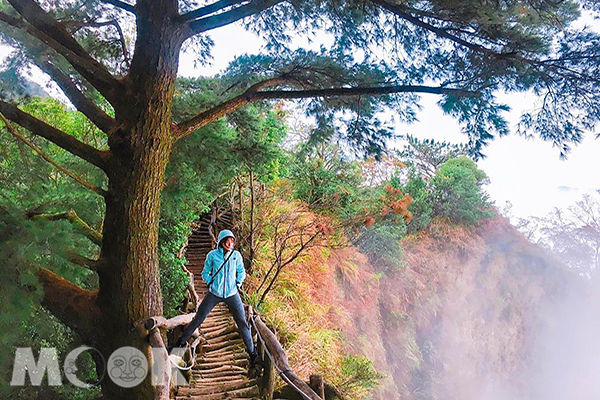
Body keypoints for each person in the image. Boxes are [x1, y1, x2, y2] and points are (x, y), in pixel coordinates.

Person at [174, 229, 258, 366]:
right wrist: (210, 282)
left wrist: (238, 283)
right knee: (198, 318)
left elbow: (241, 271)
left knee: (242, 321)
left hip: (232, 293)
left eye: (232, 241)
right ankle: (180, 344)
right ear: (221, 241)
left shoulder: (236, 255)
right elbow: (205, 272)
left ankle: (252, 353)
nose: (229, 243)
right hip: (214, 293)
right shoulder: (212, 255)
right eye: (227, 241)